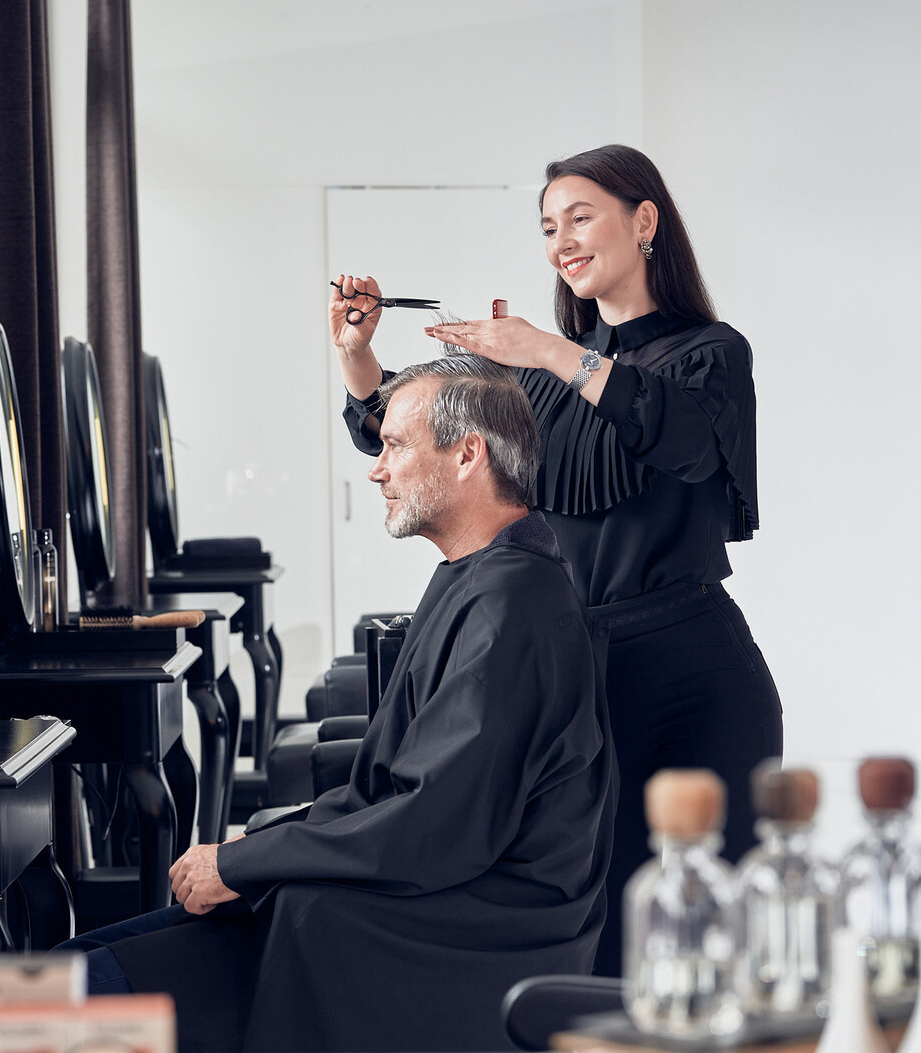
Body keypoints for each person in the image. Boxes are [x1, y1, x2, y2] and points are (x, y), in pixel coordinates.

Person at [62, 353, 615, 1053]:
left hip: (447, 941)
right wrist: (260, 846)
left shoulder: (513, 608)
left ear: (469, 454)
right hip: (398, 908)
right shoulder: (480, 577)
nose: (376, 469)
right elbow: (398, 796)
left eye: (394, 446)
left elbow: (433, 826)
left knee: (75, 993)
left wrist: (245, 863)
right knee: (76, 968)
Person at [331, 144, 782, 975]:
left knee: (707, 937)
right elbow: (414, 431)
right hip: (581, 669)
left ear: (644, 221)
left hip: (694, 677)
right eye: (548, 227)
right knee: (596, 931)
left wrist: (546, 351)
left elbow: (678, 437)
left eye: (580, 218)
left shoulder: (710, 354)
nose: (561, 242)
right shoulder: (537, 370)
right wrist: (359, 353)